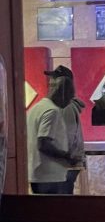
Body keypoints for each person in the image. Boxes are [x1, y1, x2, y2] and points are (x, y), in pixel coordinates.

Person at [26, 66, 85, 195]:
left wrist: (69, 158)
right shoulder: (51, 108)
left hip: (55, 169)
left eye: (55, 79)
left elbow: (67, 136)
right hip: (51, 170)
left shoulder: (61, 108)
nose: (51, 82)